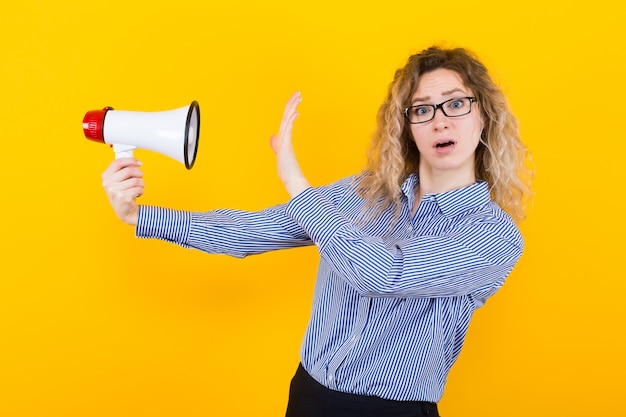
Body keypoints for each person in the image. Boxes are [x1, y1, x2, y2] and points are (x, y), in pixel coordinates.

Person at [101, 46, 533, 417]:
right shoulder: (363, 194)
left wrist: (296, 184)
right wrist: (138, 217)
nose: (440, 121)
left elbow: (384, 273)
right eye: (421, 109)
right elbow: (252, 230)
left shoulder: (493, 236)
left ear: (484, 116)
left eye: (456, 103)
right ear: (407, 127)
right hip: (307, 397)